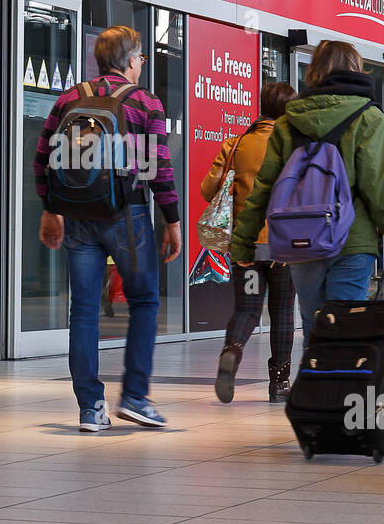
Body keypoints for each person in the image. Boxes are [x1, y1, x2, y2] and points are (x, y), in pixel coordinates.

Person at [35, 26, 182, 433]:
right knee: (145, 303)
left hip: (79, 217)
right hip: (128, 217)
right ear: (131, 60)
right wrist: (172, 221)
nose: (141, 65)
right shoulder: (144, 102)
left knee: (82, 311)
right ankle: (135, 397)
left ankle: (90, 409)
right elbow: (160, 169)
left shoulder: (70, 98)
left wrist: (51, 210)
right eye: (141, 58)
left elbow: (44, 156)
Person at [230, 41, 384, 348]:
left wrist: (242, 243)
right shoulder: (369, 118)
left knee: (314, 325)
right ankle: (338, 393)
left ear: (315, 71)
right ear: (356, 69)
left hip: (301, 239)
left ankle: (314, 391)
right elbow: (379, 187)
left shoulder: (288, 121)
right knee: (344, 326)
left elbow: (264, 186)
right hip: (351, 239)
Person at [201, 81, 298, 404]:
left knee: (247, 309)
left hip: (246, 247)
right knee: (282, 312)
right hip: (283, 245)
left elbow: (207, 189)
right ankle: (280, 383)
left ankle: (231, 351)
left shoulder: (236, 143)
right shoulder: (293, 147)